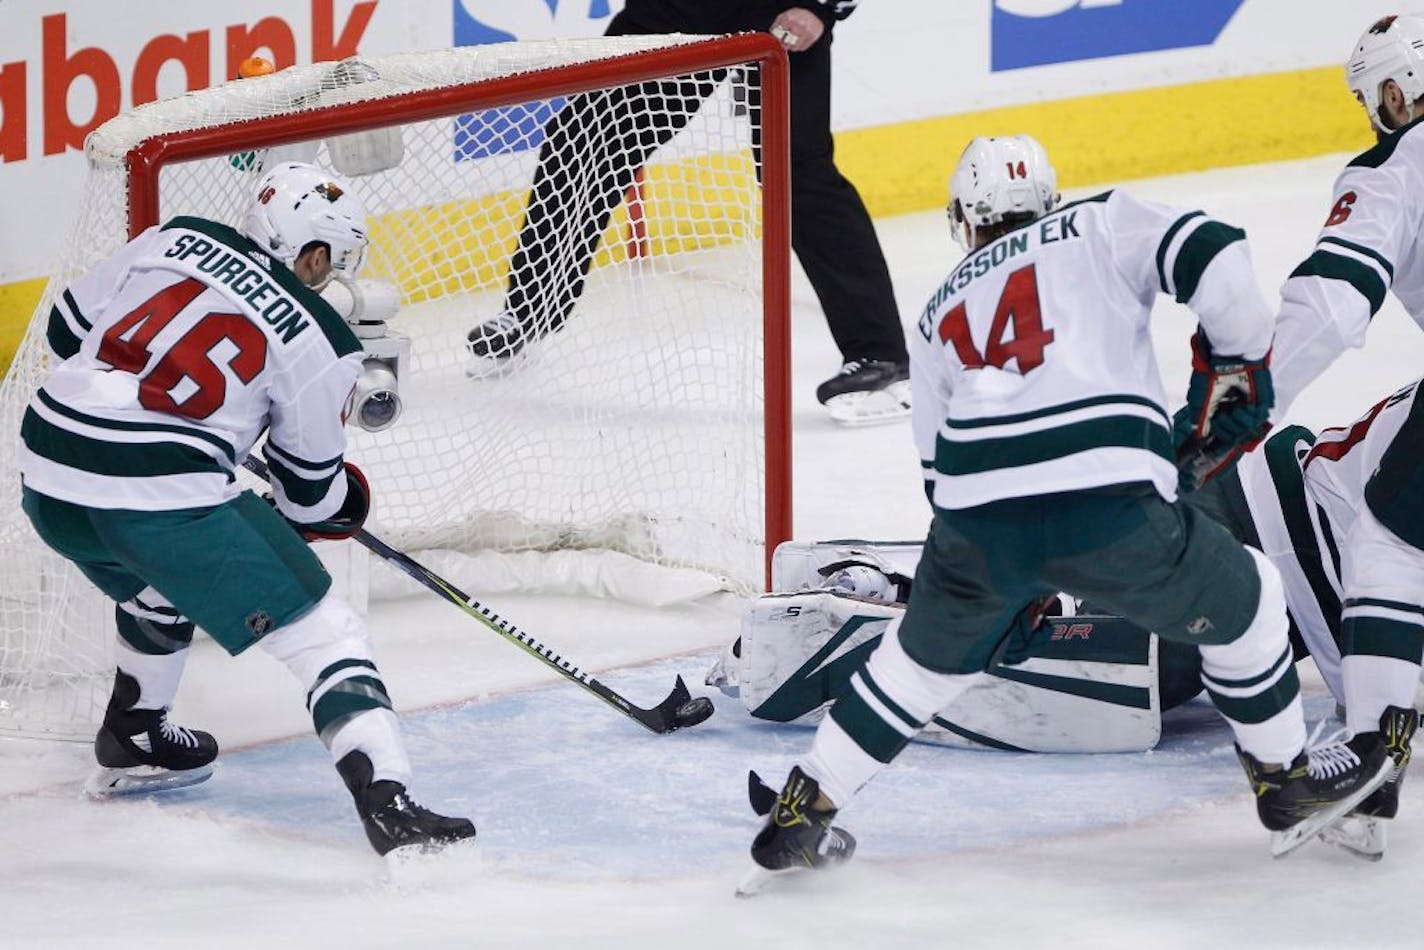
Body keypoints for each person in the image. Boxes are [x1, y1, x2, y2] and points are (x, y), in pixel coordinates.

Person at [740, 134, 1389, 891]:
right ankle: (1285, 780)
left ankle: (804, 806)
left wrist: (996, 579)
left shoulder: (938, 306)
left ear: (965, 219)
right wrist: (1239, 366)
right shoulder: (1098, 223)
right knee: (1250, 595)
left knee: (916, 670)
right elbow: (1212, 248)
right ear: (1046, 197)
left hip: (975, 520)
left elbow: (934, 472)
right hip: (1106, 495)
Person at [16, 161, 474, 857]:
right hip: (157, 490)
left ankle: (135, 732)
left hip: (48, 466)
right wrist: (343, 497)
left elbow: (64, 331)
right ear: (312, 254)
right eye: (333, 261)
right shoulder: (322, 338)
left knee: (160, 586)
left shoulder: (173, 235)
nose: (331, 276)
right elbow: (311, 499)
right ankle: (391, 804)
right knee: (329, 633)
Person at [464, 0, 912, 424]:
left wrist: (821, 6)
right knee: (586, 139)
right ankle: (531, 310)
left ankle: (879, 353)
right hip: (676, 7)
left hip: (781, 6)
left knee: (798, 171)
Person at [1249, 10, 1424, 849]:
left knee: (1389, 540)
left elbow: (1332, 297)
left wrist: (1244, 395)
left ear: (1398, 90)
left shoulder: (1399, 164)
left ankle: (1371, 751)